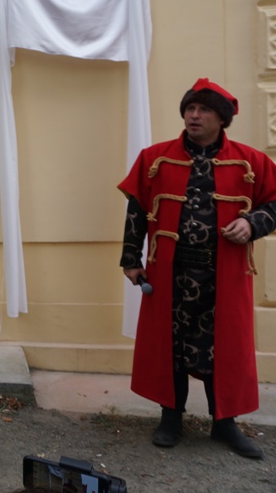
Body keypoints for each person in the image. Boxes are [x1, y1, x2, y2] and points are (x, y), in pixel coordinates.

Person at [119, 77, 276, 459]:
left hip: (225, 275)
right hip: (169, 274)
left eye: (203, 109)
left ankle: (224, 424)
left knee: (223, 348)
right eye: (190, 108)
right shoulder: (154, 158)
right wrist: (131, 259)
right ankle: (171, 418)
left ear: (221, 119)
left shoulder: (252, 162)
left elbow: (274, 204)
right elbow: (137, 208)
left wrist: (252, 223)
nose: (194, 115)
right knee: (170, 346)